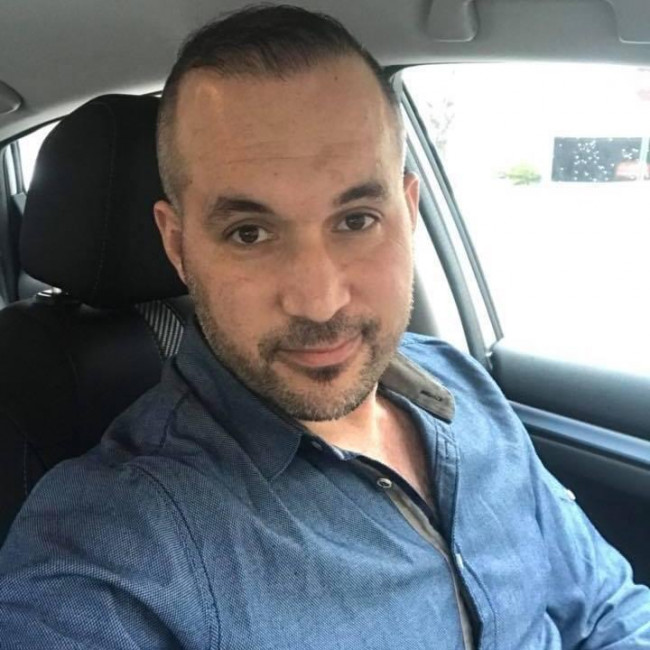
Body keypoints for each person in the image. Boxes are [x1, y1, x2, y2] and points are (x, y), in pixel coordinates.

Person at [1, 5, 649, 648]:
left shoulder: (461, 385)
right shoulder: (120, 545)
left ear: (408, 213)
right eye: (249, 232)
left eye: (356, 220)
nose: (319, 301)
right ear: (177, 245)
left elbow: (606, 611)